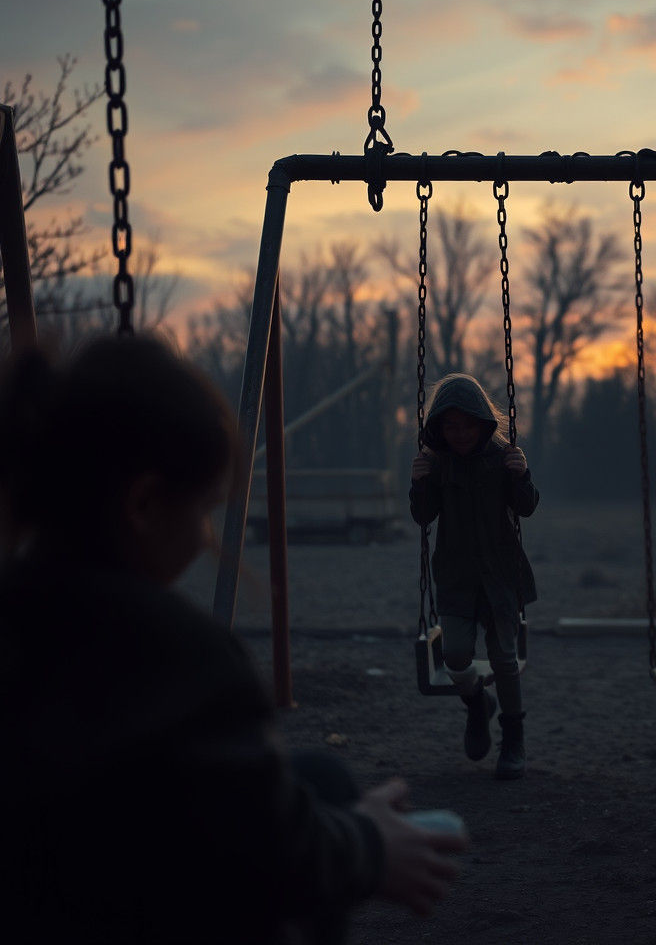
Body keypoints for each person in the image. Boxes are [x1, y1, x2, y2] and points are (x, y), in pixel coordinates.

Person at [0, 334, 468, 944]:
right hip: (113, 908)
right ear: (142, 504)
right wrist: (372, 846)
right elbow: (272, 848)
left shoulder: (19, 611)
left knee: (320, 779)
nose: (203, 535)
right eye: (202, 509)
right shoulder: (180, 660)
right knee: (317, 809)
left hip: (55, 880)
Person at [409, 373, 539, 780]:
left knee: (503, 659)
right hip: (456, 575)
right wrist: (419, 483)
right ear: (439, 429)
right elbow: (423, 515)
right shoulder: (437, 463)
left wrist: (521, 475)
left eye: (466, 425)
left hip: (500, 573)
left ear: (483, 422)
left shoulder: (502, 458)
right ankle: (477, 706)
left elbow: (526, 507)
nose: (460, 433)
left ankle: (513, 738)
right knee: (456, 656)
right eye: (450, 426)